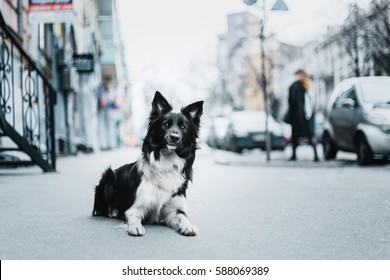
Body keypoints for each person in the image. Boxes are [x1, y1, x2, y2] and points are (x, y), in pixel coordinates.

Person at [287, 69, 319, 161]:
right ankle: (316, 155)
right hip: (308, 117)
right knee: (310, 136)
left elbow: (291, 101)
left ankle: (294, 155)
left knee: (295, 138)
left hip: (298, 117)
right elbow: (313, 102)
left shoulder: (294, 86)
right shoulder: (309, 85)